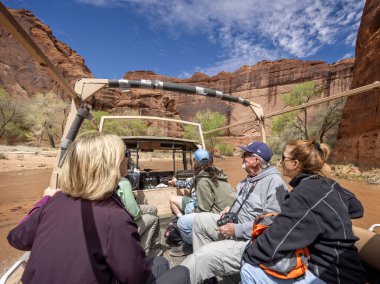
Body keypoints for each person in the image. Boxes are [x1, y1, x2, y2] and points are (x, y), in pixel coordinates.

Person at [7, 132, 190, 284]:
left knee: (158, 263)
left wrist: (44, 199)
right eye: (125, 154)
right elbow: (135, 278)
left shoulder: (56, 200)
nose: (128, 159)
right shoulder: (114, 217)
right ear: (113, 165)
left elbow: (17, 239)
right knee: (180, 272)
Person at [241, 139, 366, 284]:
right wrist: (325, 218)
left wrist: (248, 252)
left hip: (330, 276)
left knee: (249, 269)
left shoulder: (301, 195)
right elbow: (357, 209)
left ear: (295, 164)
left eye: (283, 158)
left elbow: (272, 245)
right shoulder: (329, 184)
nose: (280, 162)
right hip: (351, 270)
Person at [180, 141, 288, 283]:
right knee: (200, 221)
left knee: (202, 257)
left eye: (246, 155)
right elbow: (243, 204)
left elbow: (272, 223)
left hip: (250, 240)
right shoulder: (247, 180)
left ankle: (206, 262)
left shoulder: (274, 183)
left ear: (256, 161)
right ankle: (208, 278)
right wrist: (230, 210)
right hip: (235, 225)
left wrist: (237, 229)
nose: (242, 157)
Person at [171, 149, 236, 257]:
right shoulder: (217, 172)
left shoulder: (202, 179)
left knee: (181, 222)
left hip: (220, 215)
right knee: (188, 209)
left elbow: (205, 208)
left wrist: (195, 210)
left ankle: (195, 245)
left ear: (195, 162)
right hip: (227, 210)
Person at [117, 177, 161, 255]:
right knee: (154, 218)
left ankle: (153, 243)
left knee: (153, 209)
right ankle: (145, 253)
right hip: (125, 222)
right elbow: (134, 213)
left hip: (124, 211)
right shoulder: (123, 182)